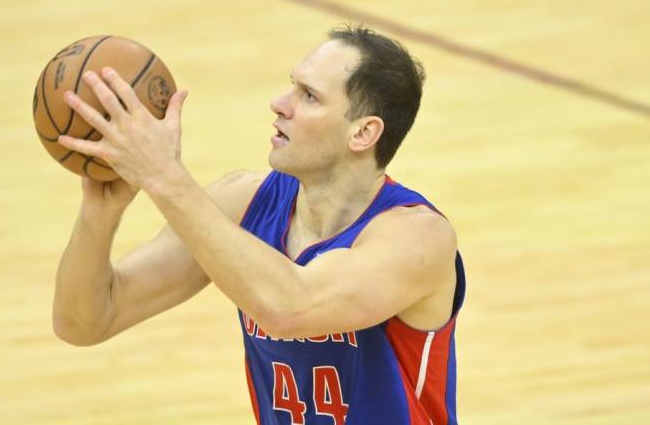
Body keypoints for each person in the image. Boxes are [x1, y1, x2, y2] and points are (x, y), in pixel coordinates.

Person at [52, 25, 465, 425]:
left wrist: (164, 178)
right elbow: (84, 322)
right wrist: (99, 212)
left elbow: (291, 307)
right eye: (292, 85)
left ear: (363, 132)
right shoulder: (242, 202)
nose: (279, 103)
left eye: (308, 96)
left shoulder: (417, 237)